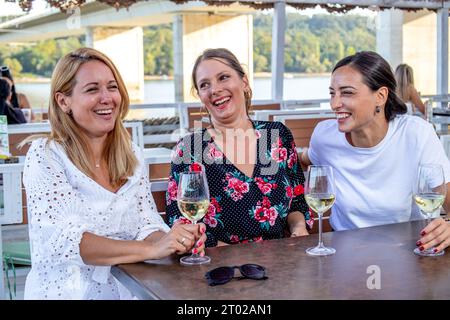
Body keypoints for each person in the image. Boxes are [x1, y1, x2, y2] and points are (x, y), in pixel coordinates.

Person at [21, 48, 207, 300]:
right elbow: (64, 242)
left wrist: (172, 240)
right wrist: (151, 250)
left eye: (112, 86)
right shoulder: (46, 156)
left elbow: (146, 224)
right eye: (92, 89)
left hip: (129, 292)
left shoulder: (132, 155)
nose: (106, 97)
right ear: (63, 101)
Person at [301, 51, 450, 254]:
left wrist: (447, 228)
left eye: (347, 92)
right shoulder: (325, 136)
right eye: (332, 93)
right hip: (344, 257)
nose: (335, 104)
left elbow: (447, 199)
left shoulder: (416, 134)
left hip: (409, 254)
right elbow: (304, 159)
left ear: (380, 96)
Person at [166, 48, 313, 247]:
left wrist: (298, 228)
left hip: (281, 264)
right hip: (220, 268)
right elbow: (181, 223)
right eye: (204, 85)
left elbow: (297, 201)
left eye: (223, 77)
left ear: (244, 82)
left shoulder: (278, 135)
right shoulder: (191, 149)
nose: (214, 89)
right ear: (200, 95)